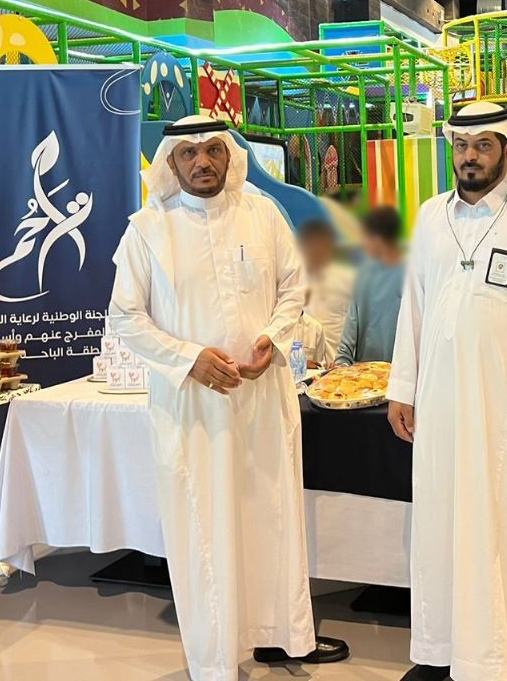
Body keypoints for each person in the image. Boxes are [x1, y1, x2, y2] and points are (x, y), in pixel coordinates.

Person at [109, 116, 348, 681]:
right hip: (192, 408)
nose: (202, 162)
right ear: (171, 162)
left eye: (213, 150)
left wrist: (273, 337)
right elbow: (125, 317)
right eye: (189, 153)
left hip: (263, 398)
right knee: (205, 526)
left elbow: (292, 288)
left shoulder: (263, 214)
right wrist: (189, 359)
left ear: (229, 156)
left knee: (271, 515)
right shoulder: (147, 230)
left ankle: (281, 636)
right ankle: (216, 655)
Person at [386, 101, 507, 681]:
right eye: (462, 145)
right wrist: (402, 387)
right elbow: (414, 305)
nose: (470, 156)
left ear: (506, 150)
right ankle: (445, 650)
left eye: (483, 145)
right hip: (440, 402)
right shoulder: (429, 215)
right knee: (442, 521)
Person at [333, 205, 406, 366]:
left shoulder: (411, 275)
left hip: (400, 372)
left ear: (378, 238)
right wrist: (340, 366)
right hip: (366, 375)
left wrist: (342, 361)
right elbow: (348, 339)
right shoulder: (363, 276)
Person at [297, 217, 355, 368]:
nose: (316, 250)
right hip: (305, 367)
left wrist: (344, 360)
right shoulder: (294, 281)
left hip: (338, 365)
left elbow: (356, 325)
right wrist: (298, 362)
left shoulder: (347, 279)